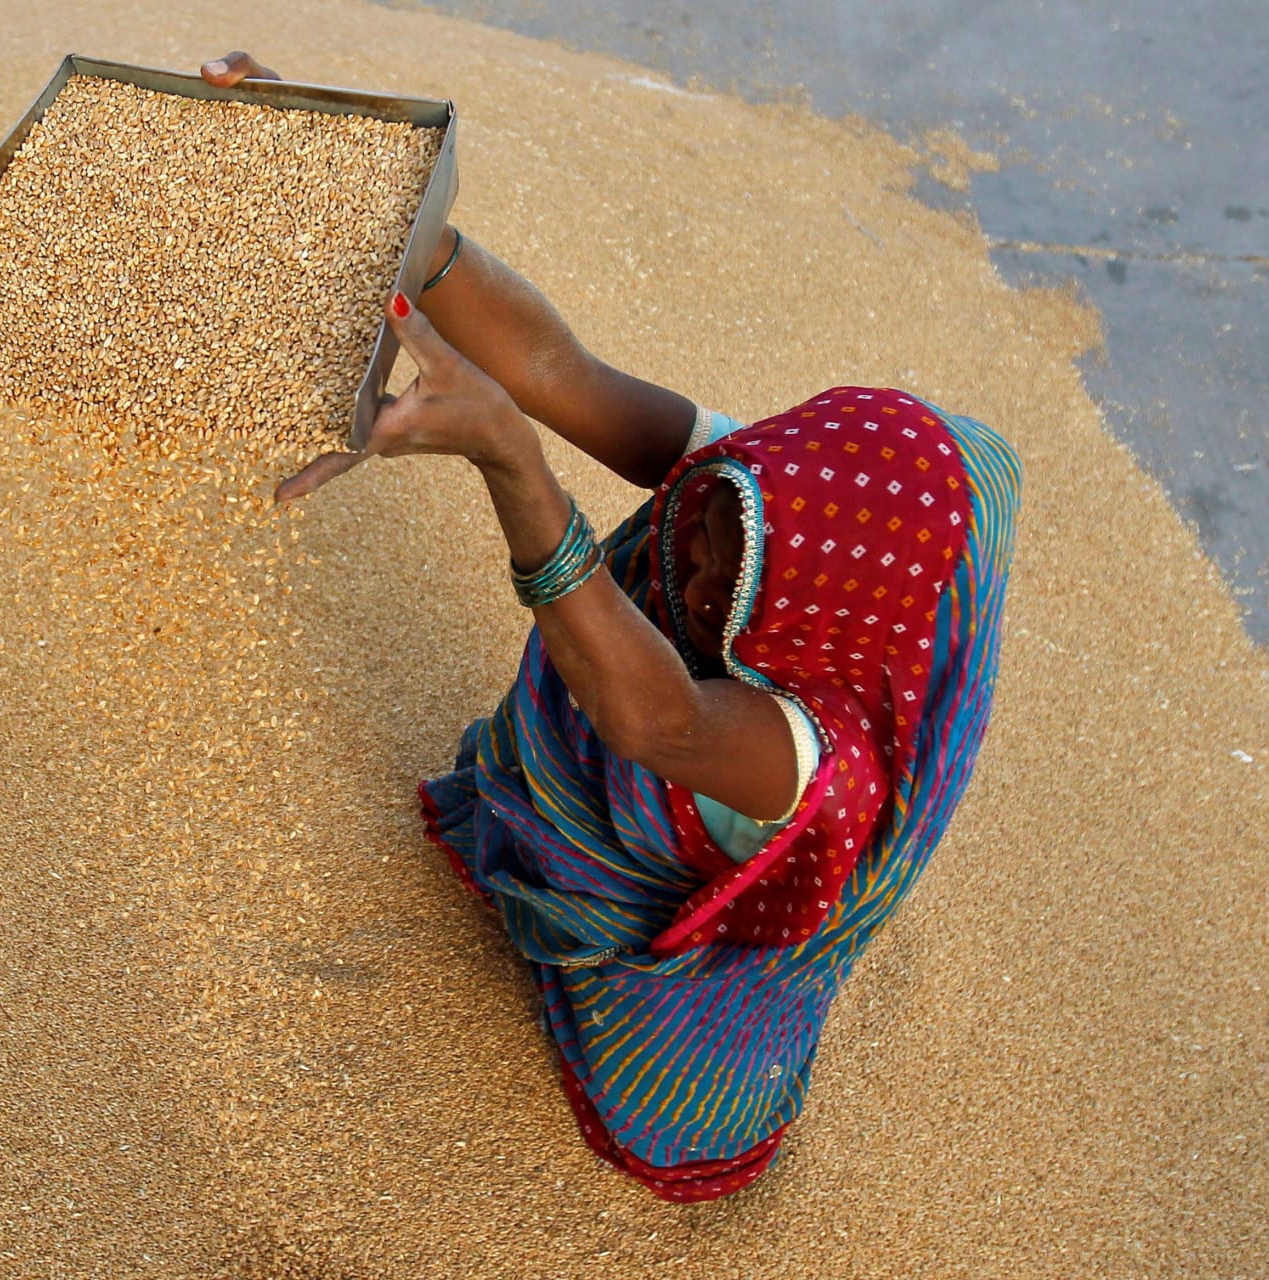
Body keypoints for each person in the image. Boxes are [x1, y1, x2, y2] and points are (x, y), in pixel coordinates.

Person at [201, 52, 1023, 1201]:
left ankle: (604, 960)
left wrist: (509, 459)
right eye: (705, 522)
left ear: (809, 631)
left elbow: (656, 717)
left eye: (721, 584)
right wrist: (390, 222)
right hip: (618, 760)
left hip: (662, 968)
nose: (683, 552)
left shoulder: (812, 752)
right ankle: (528, 839)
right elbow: (554, 365)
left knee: (661, 1091)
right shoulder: (755, 499)